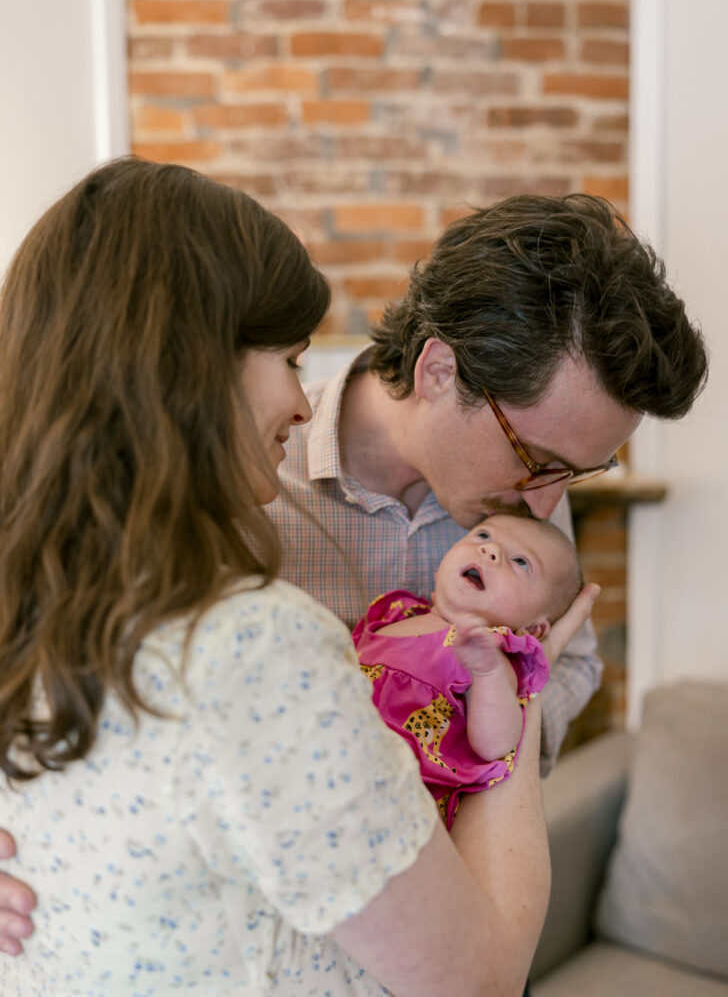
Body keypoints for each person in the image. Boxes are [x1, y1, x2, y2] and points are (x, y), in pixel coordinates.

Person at [0, 156, 584, 995]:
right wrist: (520, 677)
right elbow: (478, 981)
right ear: (193, 366)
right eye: (289, 359)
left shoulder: (30, 602)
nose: (304, 403)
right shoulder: (254, 642)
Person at [269, 191, 708, 778]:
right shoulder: (261, 475)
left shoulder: (529, 487)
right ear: (440, 372)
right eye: (535, 458)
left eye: (574, 474)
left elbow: (573, 663)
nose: (547, 504)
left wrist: (489, 736)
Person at [355, 514, 581, 828]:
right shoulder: (395, 613)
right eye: (484, 536)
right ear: (440, 568)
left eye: (520, 561)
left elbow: (496, 745)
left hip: (394, 799)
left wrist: (487, 672)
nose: (491, 552)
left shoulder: (489, 655)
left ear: (532, 628)